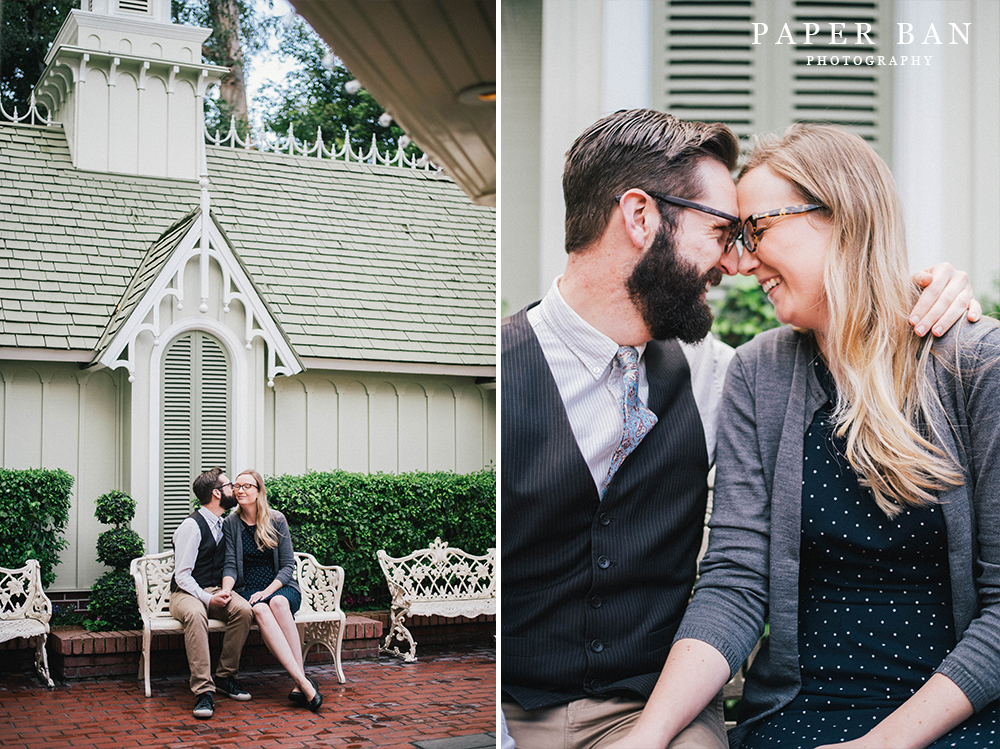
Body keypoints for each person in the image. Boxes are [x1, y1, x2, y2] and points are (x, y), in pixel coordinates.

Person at [500, 108, 983, 749]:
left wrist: (935, 295)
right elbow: (737, 576)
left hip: (657, 707)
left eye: (750, 232)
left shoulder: (724, 374)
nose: (737, 262)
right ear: (641, 217)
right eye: (728, 231)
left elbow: (866, 331)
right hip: (512, 707)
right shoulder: (506, 368)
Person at [221, 469, 322, 711]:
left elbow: (287, 566)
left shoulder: (276, 519)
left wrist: (268, 591)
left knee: (276, 603)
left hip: (280, 586)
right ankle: (303, 682)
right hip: (248, 589)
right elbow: (231, 565)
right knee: (261, 611)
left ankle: (300, 681)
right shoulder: (230, 523)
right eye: (237, 486)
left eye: (247, 486)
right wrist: (226, 590)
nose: (240, 490)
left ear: (258, 491)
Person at [170, 466, 254, 719]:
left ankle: (225, 678)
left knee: (243, 610)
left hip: (215, 589)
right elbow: (182, 575)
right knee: (196, 615)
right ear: (217, 493)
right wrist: (207, 598)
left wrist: (222, 592)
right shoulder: (191, 526)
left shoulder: (225, 523)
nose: (235, 490)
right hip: (185, 593)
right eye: (230, 486)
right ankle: (203, 691)